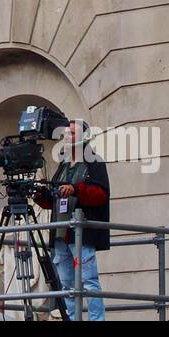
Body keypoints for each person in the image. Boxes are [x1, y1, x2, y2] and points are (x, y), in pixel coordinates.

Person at [34, 119, 109, 321]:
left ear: (85, 137)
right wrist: (40, 195)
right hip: (61, 233)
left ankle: (96, 320)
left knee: (88, 281)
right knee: (67, 284)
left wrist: (76, 190)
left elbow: (101, 194)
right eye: (66, 133)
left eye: (73, 133)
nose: (67, 136)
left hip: (81, 233)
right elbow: (54, 199)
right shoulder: (64, 164)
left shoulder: (94, 162)